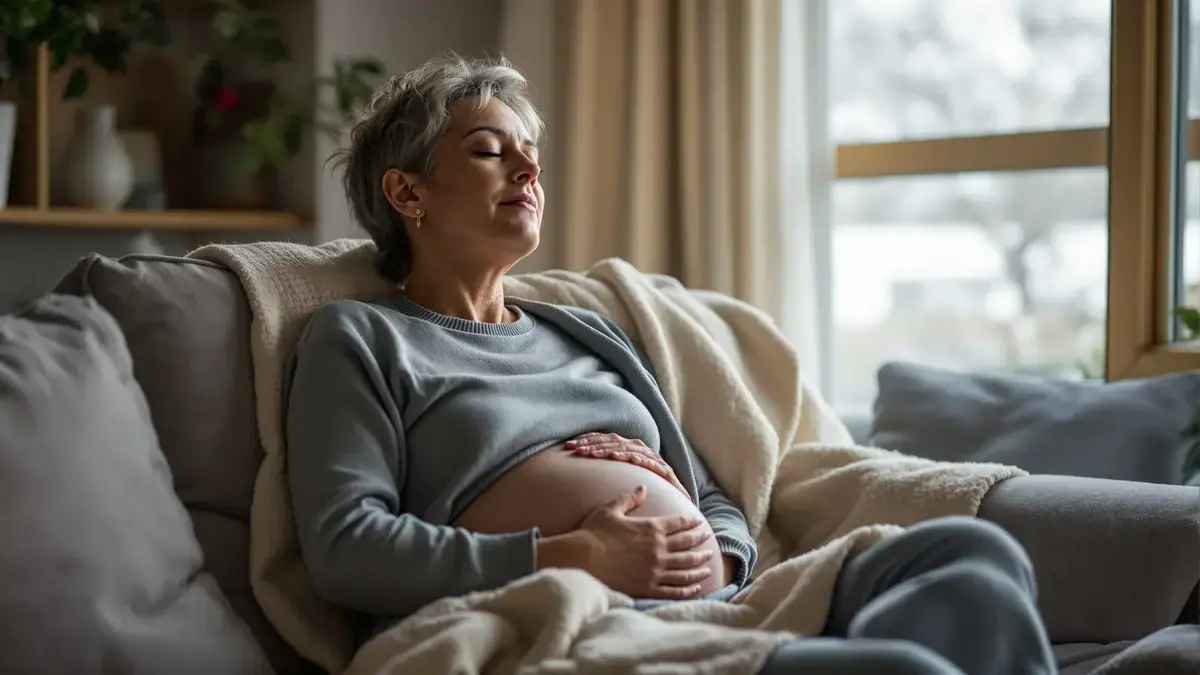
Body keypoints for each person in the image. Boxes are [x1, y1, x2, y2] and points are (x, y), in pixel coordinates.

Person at [284, 54, 1058, 675]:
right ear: (407, 193)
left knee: (977, 552)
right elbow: (348, 547)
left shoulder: (585, 330)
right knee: (904, 666)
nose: (527, 171)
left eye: (532, 155)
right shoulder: (363, 337)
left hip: (712, 602)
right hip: (571, 619)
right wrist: (573, 553)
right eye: (490, 150)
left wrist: (719, 553)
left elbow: (708, 491)